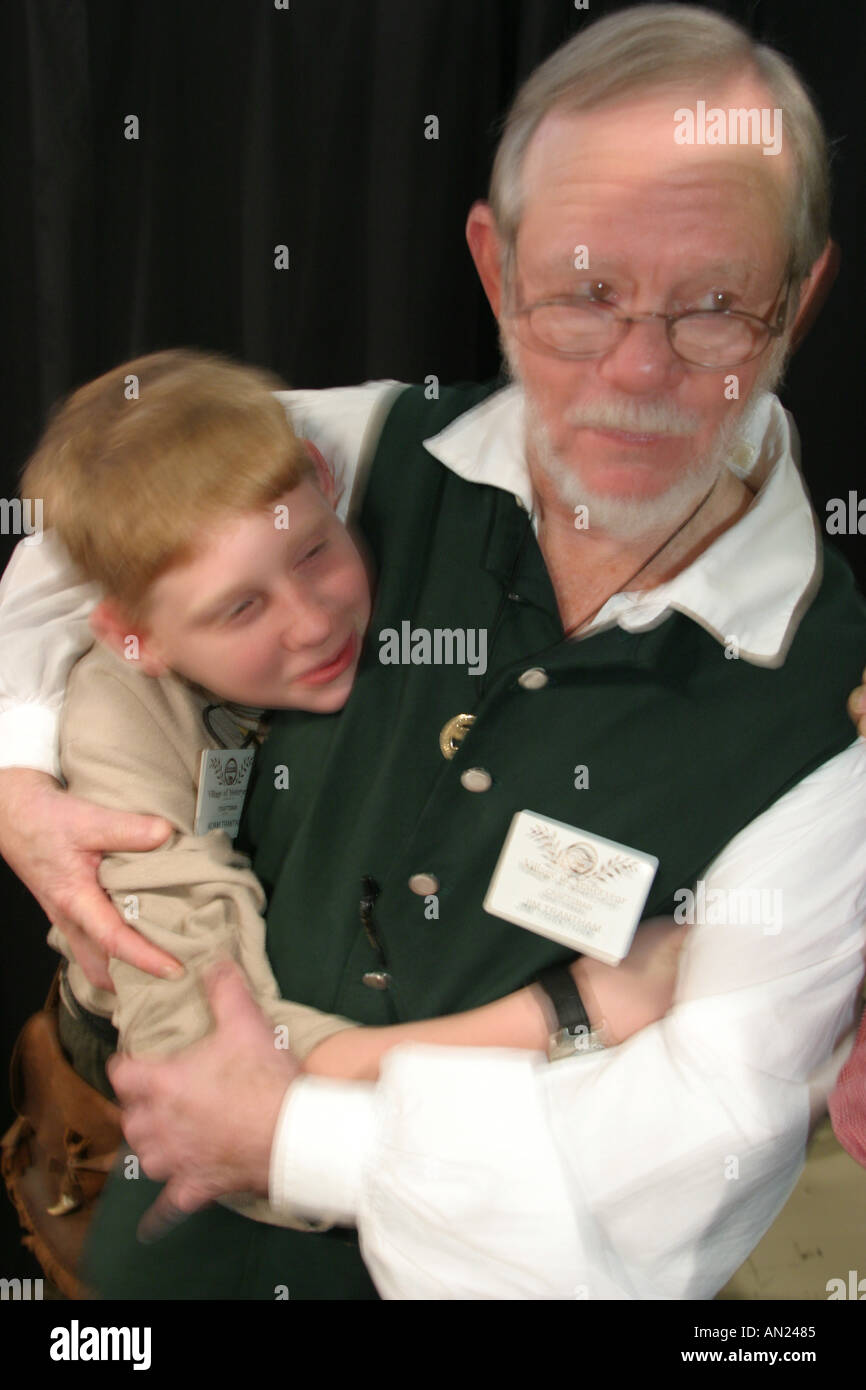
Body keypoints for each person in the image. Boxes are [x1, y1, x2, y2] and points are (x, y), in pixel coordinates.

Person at [1, 5, 866, 1299]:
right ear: (494, 266)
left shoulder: (826, 718)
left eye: (711, 307)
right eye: (581, 291)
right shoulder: (357, 444)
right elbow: (78, 541)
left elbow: (689, 1156)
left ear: (796, 296)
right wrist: (17, 771)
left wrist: (290, 1128)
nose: (636, 370)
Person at [4, 346, 684, 1272]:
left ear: (328, 481)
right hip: (146, 1132)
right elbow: (205, 1073)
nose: (315, 620)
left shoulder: (406, 557)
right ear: (135, 637)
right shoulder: (114, 721)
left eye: (315, 552)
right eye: (240, 609)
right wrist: (564, 1015)